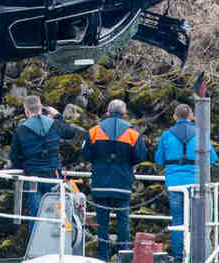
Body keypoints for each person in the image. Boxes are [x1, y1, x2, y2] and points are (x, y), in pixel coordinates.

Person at [82, 99, 147, 262]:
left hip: (100, 182)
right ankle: (123, 255)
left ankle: (102, 256)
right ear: (124, 113)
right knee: (123, 222)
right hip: (122, 183)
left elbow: (86, 154)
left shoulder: (94, 131)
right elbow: (140, 156)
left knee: (101, 222)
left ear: (107, 112)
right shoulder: (133, 134)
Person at [155, 103, 217, 263]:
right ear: (191, 117)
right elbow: (213, 158)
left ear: (175, 117)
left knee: (178, 220)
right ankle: (196, 257)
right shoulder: (201, 134)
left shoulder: (166, 135)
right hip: (196, 184)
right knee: (197, 221)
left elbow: (159, 159)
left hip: (174, 184)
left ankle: (178, 256)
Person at [9, 95, 78, 235]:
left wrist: (25, 167)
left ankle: (36, 246)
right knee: (57, 212)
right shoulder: (54, 124)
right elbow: (71, 133)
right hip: (53, 174)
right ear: (41, 108)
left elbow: (14, 157)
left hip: (33, 175)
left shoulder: (21, 130)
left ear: (26, 111)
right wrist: (57, 115)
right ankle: (58, 243)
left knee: (35, 214)